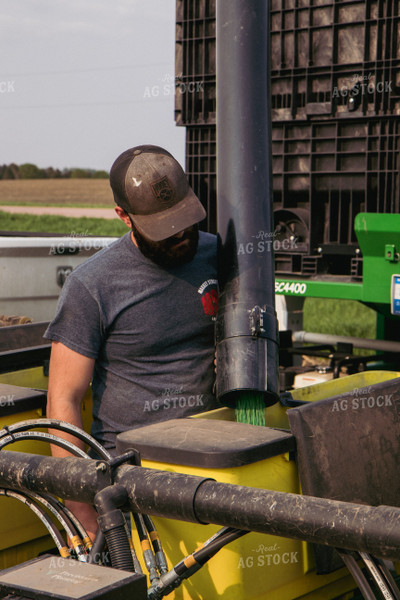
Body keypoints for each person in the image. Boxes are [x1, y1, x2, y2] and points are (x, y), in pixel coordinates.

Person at [44, 144, 219, 539]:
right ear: (124, 216)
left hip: (215, 461)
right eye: (164, 227)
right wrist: (82, 509)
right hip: (134, 480)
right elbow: (63, 400)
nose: (181, 234)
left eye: (185, 218)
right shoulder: (92, 285)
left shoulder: (217, 254)